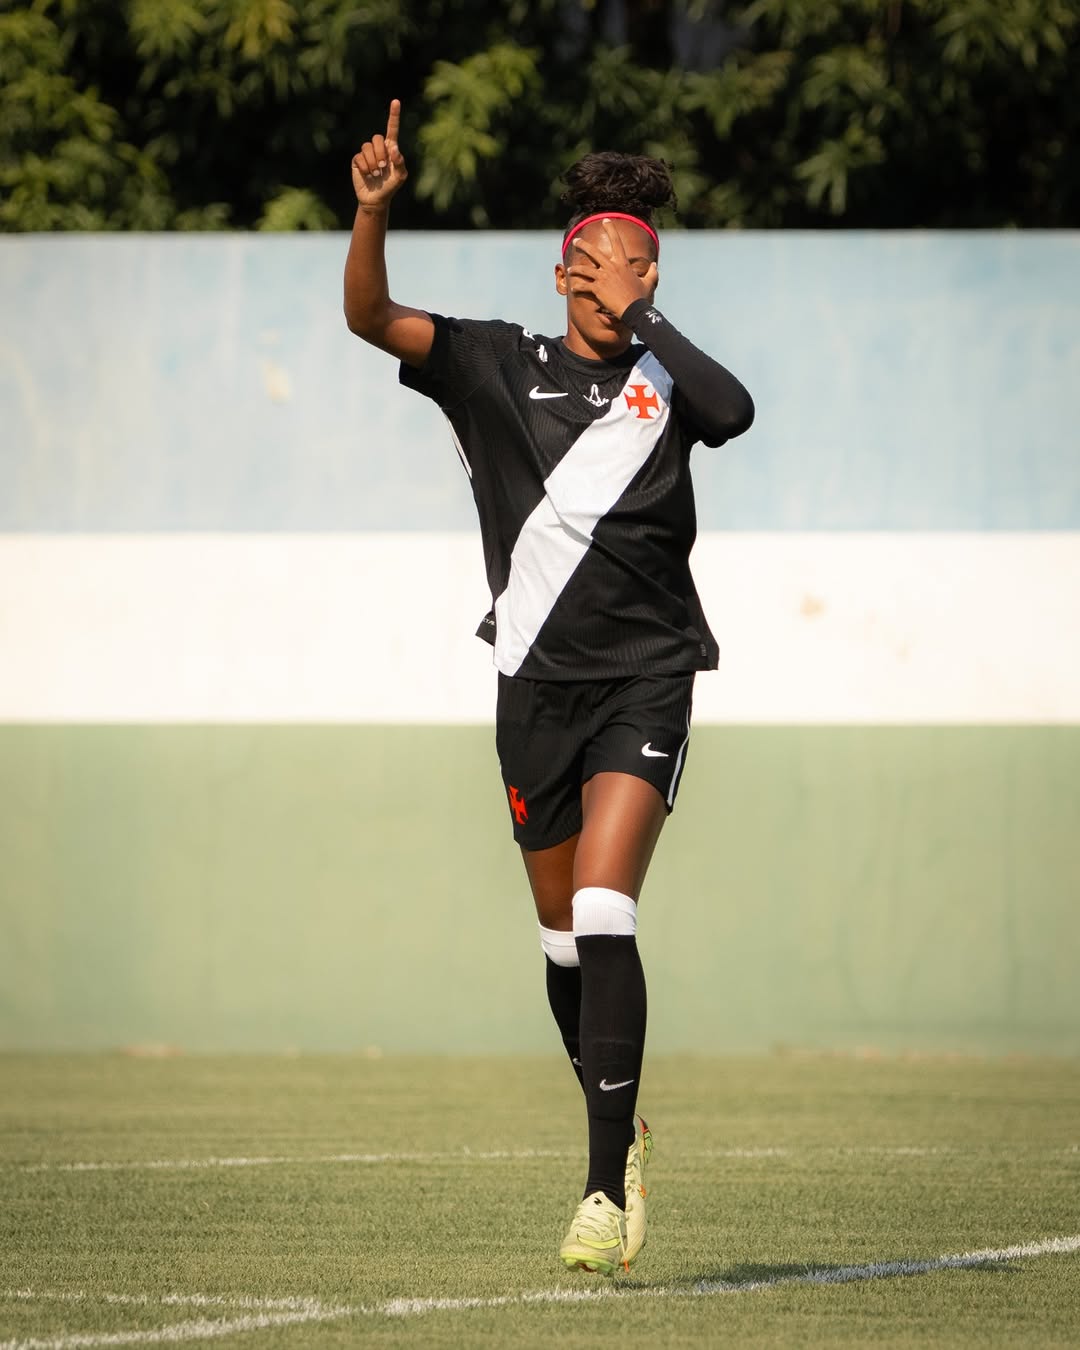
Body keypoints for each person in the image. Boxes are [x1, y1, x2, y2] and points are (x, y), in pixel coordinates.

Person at [344, 99, 754, 1276]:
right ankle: (625, 1134)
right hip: (533, 689)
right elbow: (369, 316)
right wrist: (372, 215)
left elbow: (736, 411)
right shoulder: (492, 365)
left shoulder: (670, 385)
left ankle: (600, 1192)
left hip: (647, 681)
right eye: (603, 257)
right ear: (564, 267)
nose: (620, 274)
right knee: (562, 943)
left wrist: (648, 321)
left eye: (640, 262)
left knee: (608, 911)